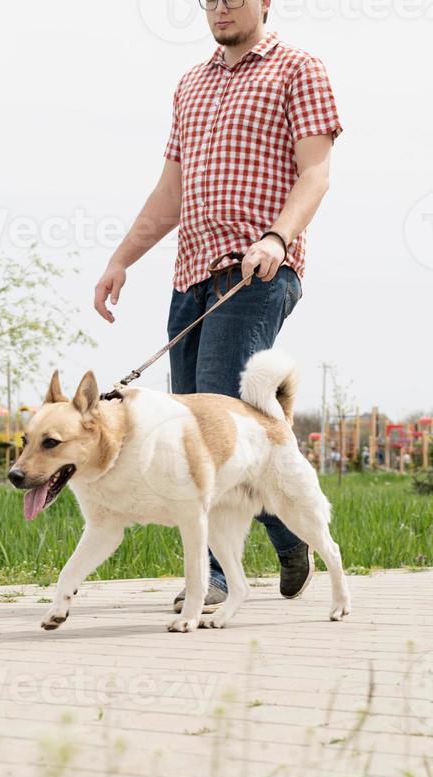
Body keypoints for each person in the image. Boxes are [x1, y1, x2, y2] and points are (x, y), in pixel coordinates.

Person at [94, 0, 342, 612]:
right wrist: (121, 259)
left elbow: (316, 173)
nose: (222, 5)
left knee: (209, 425)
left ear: (265, 3)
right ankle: (287, 534)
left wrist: (277, 238)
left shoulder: (297, 68)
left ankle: (215, 578)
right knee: (189, 430)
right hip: (190, 281)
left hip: (255, 272)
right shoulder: (191, 85)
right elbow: (170, 191)